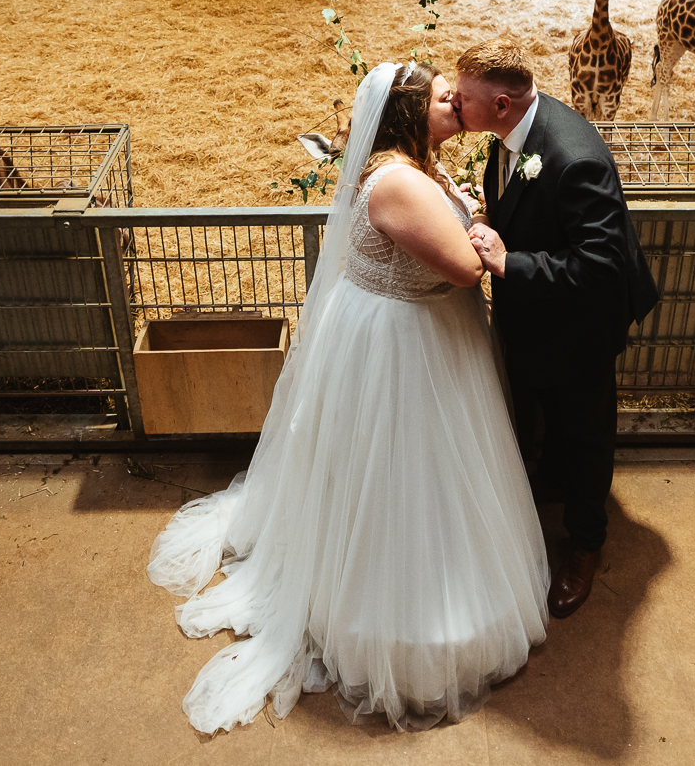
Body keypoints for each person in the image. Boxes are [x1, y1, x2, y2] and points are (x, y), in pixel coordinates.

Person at [147, 62, 549, 734]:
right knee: (397, 474)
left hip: (427, 329)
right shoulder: (394, 182)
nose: (458, 100)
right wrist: (490, 244)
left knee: (438, 477)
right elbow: (461, 265)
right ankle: (384, 617)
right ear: (409, 116)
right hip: (399, 346)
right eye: (445, 97)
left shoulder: (422, 163)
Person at [453, 39, 659, 620]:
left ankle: (586, 544)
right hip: (539, 313)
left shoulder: (574, 157)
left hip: (582, 325)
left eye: (462, 99)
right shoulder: (510, 133)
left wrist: (506, 261)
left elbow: (600, 268)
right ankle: (548, 482)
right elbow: (523, 205)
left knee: (586, 432)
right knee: (544, 413)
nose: (452, 103)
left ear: (498, 104)